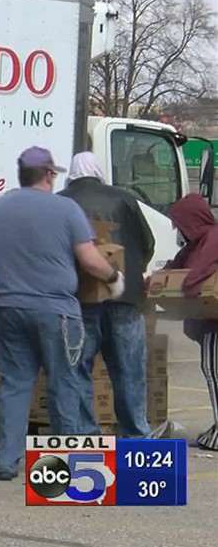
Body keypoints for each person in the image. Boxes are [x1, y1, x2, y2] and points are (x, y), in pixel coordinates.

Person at [0, 146, 124, 481]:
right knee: (63, 383)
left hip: (9, 307)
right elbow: (90, 259)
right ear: (49, 174)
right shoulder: (66, 209)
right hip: (56, 311)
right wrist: (113, 277)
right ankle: (63, 466)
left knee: (16, 384)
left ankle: (6, 461)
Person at [59, 152, 156, 438]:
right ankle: (136, 435)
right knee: (129, 372)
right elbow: (147, 243)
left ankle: (87, 436)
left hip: (79, 299)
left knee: (79, 371)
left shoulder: (62, 200)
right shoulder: (125, 199)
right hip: (125, 297)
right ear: (99, 171)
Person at [164, 193, 218, 451]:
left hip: (215, 322)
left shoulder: (212, 238)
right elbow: (175, 268)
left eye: (180, 224)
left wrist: (181, 287)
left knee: (213, 371)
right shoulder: (195, 244)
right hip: (208, 320)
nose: (179, 231)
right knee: (212, 372)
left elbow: (194, 275)